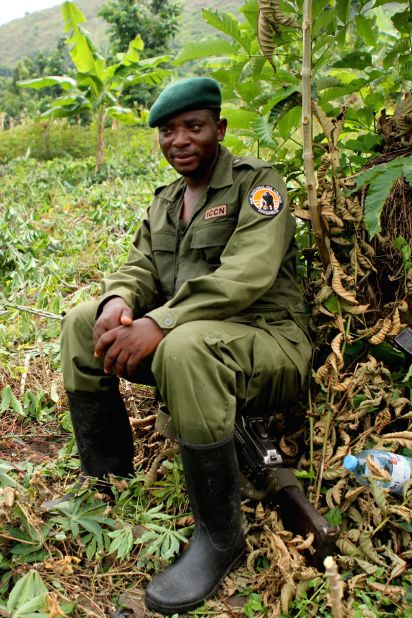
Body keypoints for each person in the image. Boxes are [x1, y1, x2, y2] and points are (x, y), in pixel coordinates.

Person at [61, 77, 312, 615]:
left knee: (183, 345)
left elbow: (248, 272)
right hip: (196, 339)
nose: (179, 141)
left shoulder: (257, 184)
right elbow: (142, 265)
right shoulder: (167, 201)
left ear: (218, 129)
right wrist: (117, 302)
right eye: (167, 131)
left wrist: (163, 321)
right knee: (83, 323)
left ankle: (221, 536)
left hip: (270, 344)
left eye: (193, 127)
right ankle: (106, 477)